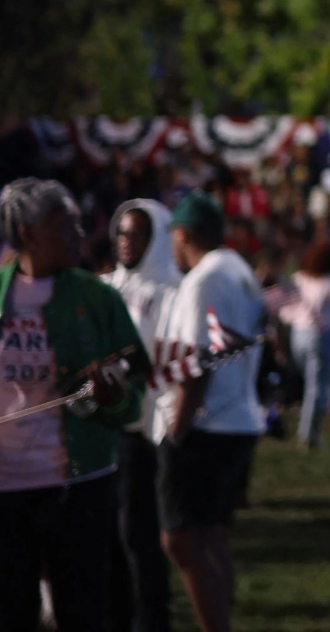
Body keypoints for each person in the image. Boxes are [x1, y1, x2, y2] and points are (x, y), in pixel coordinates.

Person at [1, 179, 147, 632]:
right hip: (6, 489)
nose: (81, 236)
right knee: (10, 612)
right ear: (29, 235)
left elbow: (134, 383)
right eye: (66, 227)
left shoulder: (97, 298)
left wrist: (114, 396)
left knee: (85, 610)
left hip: (80, 482)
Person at [154, 192, 265, 632]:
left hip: (206, 425)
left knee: (181, 540)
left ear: (185, 234)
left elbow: (197, 364)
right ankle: (220, 614)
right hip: (238, 417)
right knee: (214, 532)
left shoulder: (203, 280)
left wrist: (176, 431)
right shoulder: (237, 269)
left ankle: (213, 623)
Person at [105, 198, 182, 632]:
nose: (126, 242)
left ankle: (152, 618)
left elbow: (160, 357)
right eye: (121, 233)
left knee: (140, 533)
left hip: (145, 429)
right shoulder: (107, 286)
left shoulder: (170, 290)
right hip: (103, 429)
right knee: (108, 536)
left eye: (137, 234)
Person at [279, 239, 330, 449]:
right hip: (320, 335)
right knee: (317, 388)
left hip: (298, 335)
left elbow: (285, 310)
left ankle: (308, 431)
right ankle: (309, 435)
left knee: (310, 386)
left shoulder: (299, 279)